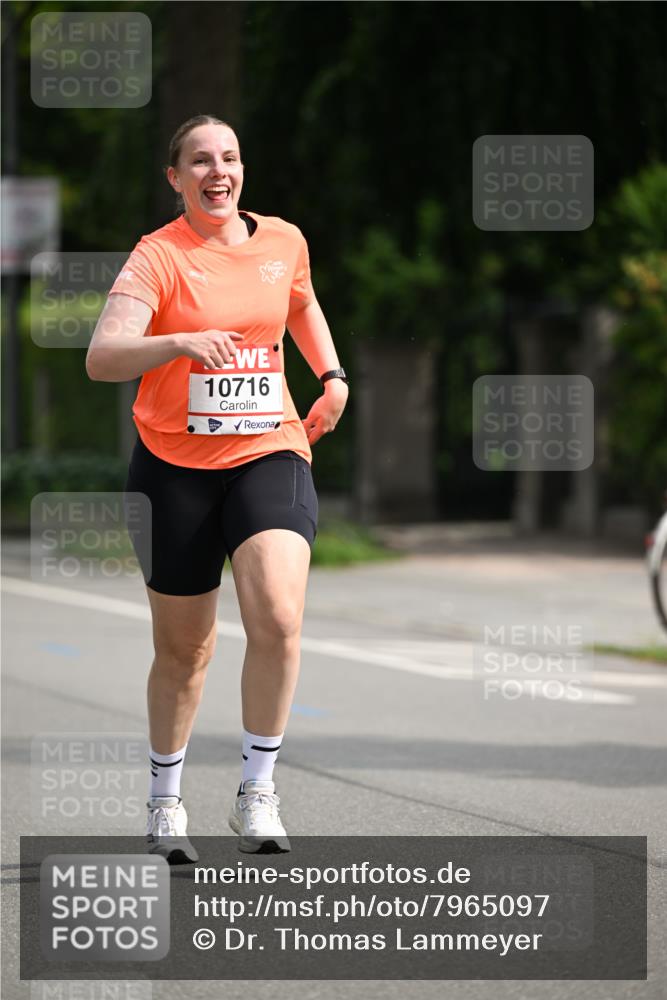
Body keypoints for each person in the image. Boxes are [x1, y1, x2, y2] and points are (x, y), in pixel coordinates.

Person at [86, 114, 348, 859]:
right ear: (175, 179)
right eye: (199, 161)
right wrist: (178, 341)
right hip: (173, 469)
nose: (217, 172)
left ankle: (257, 792)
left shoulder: (283, 241)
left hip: (270, 449)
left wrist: (329, 376)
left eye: (229, 157)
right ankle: (165, 803)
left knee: (278, 616)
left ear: (242, 168)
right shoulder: (158, 258)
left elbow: (299, 300)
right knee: (184, 651)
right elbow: (102, 359)